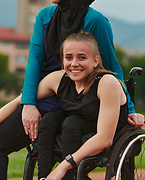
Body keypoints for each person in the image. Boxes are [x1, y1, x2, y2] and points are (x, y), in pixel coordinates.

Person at [0, 0, 144, 180]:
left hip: (78, 101)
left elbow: (112, 67)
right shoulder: (44, 16)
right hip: (47, 93)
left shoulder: (96, 21)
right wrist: (29, 104)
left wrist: (131, 110)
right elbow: (34, 62)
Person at [35, 31, 128, 180]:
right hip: (74, 130)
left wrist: (63, 167)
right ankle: (43, 178)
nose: (74, 63)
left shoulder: (107, 82)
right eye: (68, 57)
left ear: (95, 61)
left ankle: (66, 176)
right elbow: (21, 100)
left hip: (103, 136)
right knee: (49, 120)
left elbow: (105, 139)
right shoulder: (59, 78)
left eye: (82, 57)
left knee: (71, 123)